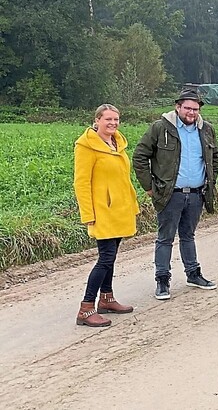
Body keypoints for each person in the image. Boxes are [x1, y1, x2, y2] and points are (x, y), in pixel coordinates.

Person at [133, 89, 218, 300]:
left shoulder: (206, 129)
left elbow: (215, 155)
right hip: (170, 195)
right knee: (165, 238)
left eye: (195, 109)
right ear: (178, 106)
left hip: (197, 194)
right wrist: (150, 187)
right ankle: (162, 280)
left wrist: (210, 180)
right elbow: (139, 157)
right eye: (187, 108)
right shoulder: (160, 128)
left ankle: (193, 274)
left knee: (188, 236)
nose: (191, 112)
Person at [73, 104, 140, 327]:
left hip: (120, 209)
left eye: (116, 120)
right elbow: (81, 182)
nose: (112, 123)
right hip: (102, 211)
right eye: (108, 119)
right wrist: (87, 214)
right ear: (97, 120)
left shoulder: (117, 144)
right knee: (105, 258)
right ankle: (86, 308)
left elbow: (123, 179)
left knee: (111, 256)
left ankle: (107, 298)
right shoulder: (86, 146)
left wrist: (132, 203)